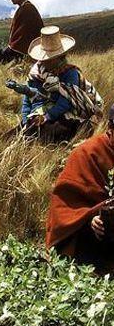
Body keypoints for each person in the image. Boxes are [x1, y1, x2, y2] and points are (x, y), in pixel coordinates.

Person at [45, 105, 114, 274]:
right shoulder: (86, 153)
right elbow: (64, 207)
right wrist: (90, 219)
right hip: (89, 231)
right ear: (110, 128)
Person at [16, 26, 102, 143]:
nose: (45, 61)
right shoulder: (36, 73)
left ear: (59, 57)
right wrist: (26, 119)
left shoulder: (70, 74)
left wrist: (47, 117)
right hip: (38, 113)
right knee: (14, 134)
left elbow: (66, 102)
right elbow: (28, 98)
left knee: (48, 132)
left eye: (50, 58)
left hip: (65, 114)